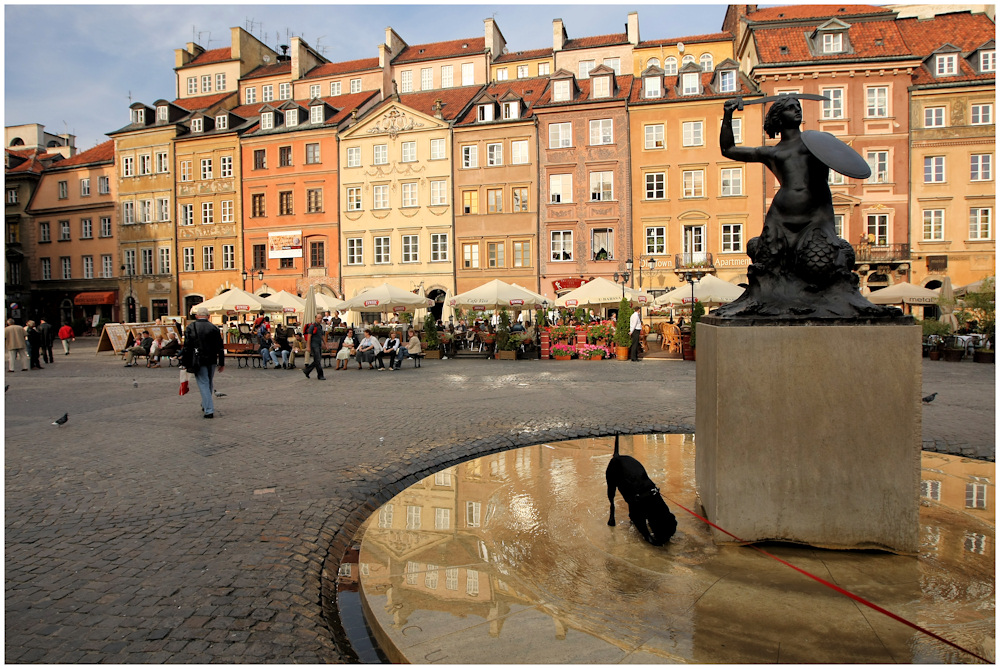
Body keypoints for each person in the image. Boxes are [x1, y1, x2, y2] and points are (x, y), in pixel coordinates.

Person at [183, 306, 225, 418]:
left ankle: (209, 409)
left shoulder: (191, 327)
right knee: (209, 382)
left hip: (198, 359)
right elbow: (220, 347)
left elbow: (187, 346)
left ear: (196, 316)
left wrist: (185, 362)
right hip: (211, 359)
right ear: (208, 316)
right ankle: (205, 404)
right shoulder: (214, 328)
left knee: (203, 383)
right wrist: (221, 362)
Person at [302, 314, 326, 380]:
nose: (320, 320)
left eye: (321, 318)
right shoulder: (312, 326)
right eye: (318, 318)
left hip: (319, 345)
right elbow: (309, 336)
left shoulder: (320, 327)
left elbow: (322, 336)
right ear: (315, 318)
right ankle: (320, 375)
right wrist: (308, 346)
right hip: (314, 345)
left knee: (317, 360)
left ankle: (307, 371)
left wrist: (325, 344)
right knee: (317, 360)